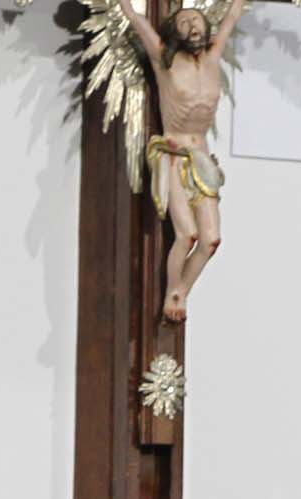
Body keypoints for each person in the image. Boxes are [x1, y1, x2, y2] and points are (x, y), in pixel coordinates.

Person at [123, 0, 249, 320]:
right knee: (187, 234)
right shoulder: (163, 58)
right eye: (184, 23)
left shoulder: (213, 56)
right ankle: (172, 294)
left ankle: (182, 291)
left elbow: (234, 13)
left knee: (210, 240)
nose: (192, 26)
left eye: (196, 20)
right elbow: (134, 17)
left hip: (202, 159)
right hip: (173, 154)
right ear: (174, 32)